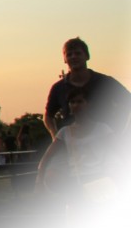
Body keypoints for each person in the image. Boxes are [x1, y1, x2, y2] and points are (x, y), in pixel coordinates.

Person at [37, 86, 120, 214]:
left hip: (100, 178)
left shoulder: (103, 129)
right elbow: (47, 157)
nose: (76, 105)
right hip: (76, 181)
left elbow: (122, 149)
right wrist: (40, 181)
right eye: (72, 102)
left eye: (80, 101)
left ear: (88, 104)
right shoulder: (65, 132)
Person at [44, 37, 131, 138]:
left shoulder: (106, 82)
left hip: (105, 143)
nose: (73, 57)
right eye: (69, 54)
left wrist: (123, 132)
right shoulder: (58, 88)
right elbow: (48, 116)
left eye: (78, 53)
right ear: (65, 59)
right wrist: (55, 136)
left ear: (87, 56)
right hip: (74, 146)